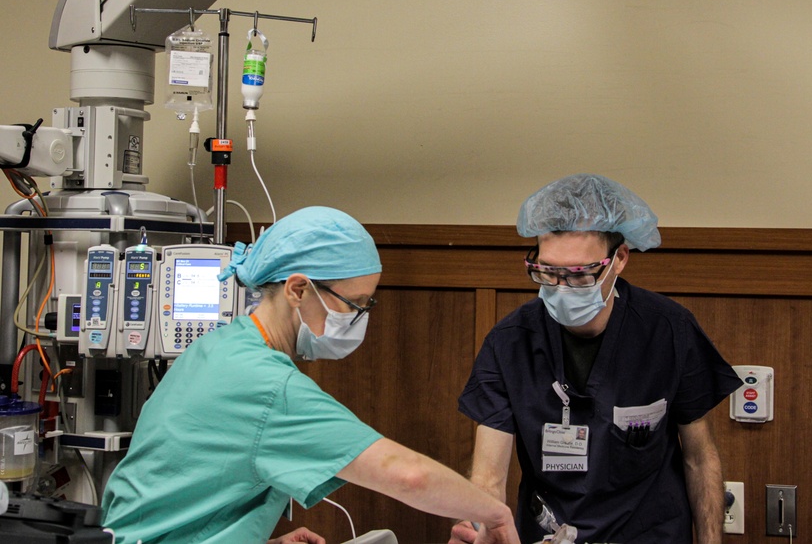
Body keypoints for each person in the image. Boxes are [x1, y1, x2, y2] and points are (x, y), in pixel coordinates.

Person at [102, 206, 519, 544]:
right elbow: (407, 475)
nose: (359, 319)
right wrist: (495, 514)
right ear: (298, 290)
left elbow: (184, 493)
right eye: (353, 304)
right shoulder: (266, 385)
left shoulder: (216, 349)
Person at [449, 174, 743, 544]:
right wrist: (480, 525)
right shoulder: (510, 344)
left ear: (618, 260)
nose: (560, 288)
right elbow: (488, 476)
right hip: (549, 533)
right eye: (547, 271)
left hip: (651, 534)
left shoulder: (669, 331)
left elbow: (700, 459)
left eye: (580, 274)